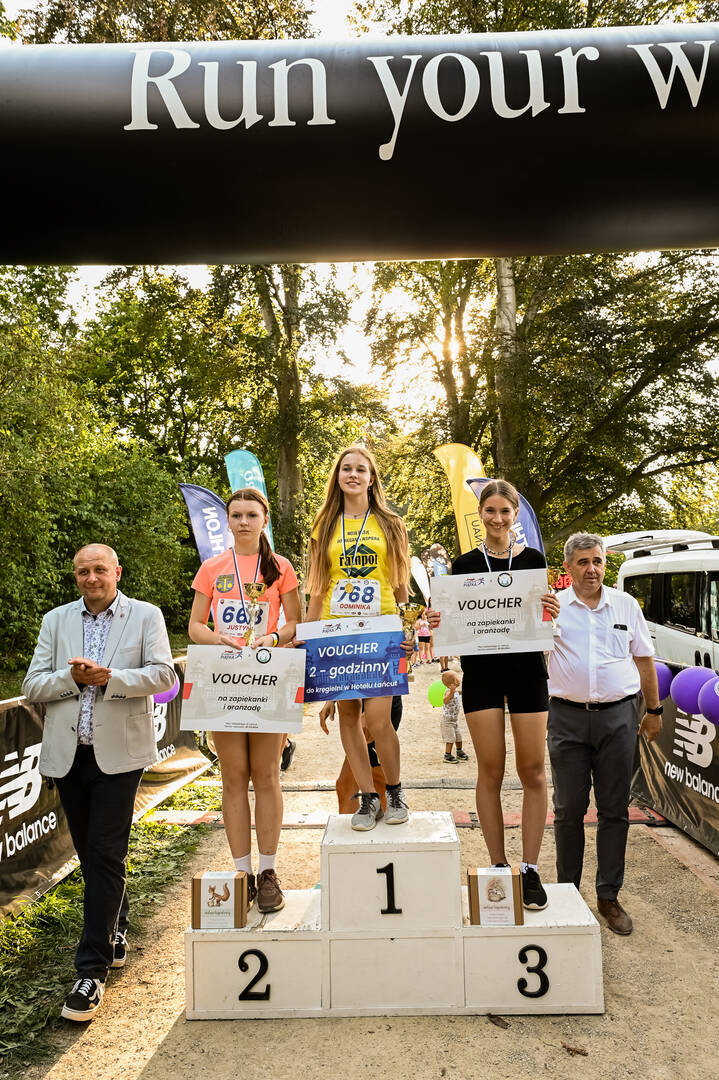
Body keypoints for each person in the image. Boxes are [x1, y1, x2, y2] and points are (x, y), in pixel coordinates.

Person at [22, 544, 175, 1022]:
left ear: (117, 572)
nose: (91, 578)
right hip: (68, 756)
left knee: (106, 853)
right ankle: (115, 928)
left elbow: (163, 675)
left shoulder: (146, 616)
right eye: (83, 572)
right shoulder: (56, 621)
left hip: (120, 756)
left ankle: (91, 970)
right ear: (76, 577)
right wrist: (73, 681)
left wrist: (111, 678)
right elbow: (32, 685)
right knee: (92, 855)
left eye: (100, 570)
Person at [429, 479, 559, 909]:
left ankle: (531, 869)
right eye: (490, 511)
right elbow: (450, 619)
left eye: (505, 511)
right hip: (482, 675)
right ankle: (499, 865)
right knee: (490, 771)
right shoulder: (464, 565)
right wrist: (437, 619)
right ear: (480, 514)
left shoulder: (534, 560)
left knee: (533, 770)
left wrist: (551, 610)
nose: (498, 518)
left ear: (515, 514)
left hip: (527, 673)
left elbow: (543, 618)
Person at [188, 488, 301, 914]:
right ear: (228, 521)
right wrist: (218, 639)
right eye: (236, 515)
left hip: (267, 676)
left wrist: (272, 636)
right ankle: (242, 874)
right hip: (224, 676)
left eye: (251, 515)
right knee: (233, 778)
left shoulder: (281, 567)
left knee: (267, 775)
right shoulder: (212, 568)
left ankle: (268, 872)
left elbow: (296, 622)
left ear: (264, 519)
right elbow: (195, 626)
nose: (243, 522)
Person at [547, 532, 661, 935]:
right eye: (583, 562)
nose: (592, 569)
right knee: (568, 810)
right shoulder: (552, 607)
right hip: (566, 719)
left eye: (597, 561)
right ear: (568, 567)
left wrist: (654, 711)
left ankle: (608, 896)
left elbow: (644, 660)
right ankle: (567, 893)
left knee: (614, 810)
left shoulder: (626, 605)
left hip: (619, 718)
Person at [306, 445, 411, 831]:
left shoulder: (391, 524)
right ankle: (368, 798)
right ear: (337, 477)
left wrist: (410, 632)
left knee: (379, 719)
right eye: (346, 468)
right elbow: (318, 590)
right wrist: (306, 638)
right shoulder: (324, 526)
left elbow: (400, 587)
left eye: (360, 469)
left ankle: (395, 791)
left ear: (371, 478)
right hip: (337, 632)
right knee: (349, 717)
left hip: (382, 631)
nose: (352, 474)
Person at [441, 679, 468, 763]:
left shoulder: (455, 691)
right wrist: (451, 693)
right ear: (450, 685)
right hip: (447, 721)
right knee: (451, 738)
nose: (458, 680)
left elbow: (460, 692)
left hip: (454, 720)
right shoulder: (448, 692)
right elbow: (445, 700)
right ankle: (447, 755)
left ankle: (459, 751)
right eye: (456, 680)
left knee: (458, 737)